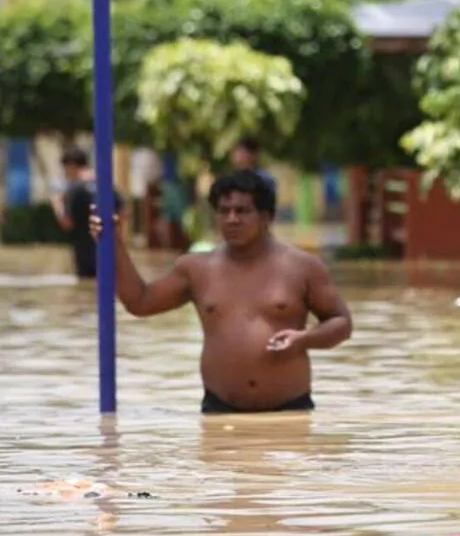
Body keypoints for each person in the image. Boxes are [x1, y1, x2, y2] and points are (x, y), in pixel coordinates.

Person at [89, 169, 352, 413]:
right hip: (220, 411)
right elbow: (140, 302)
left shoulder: (302, 267)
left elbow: (341, 323)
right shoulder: (197, 268)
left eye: (242, 211)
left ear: (266, 216)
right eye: (223, 211)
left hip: (288, 411)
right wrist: (114, 242)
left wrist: (303, 339)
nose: (232, 219)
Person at [52, 146, 123, 279]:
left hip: (84, 256)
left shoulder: (74, 188)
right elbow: (124, 211)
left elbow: (67, 222)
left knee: (86, 292)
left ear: (72, 166)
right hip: (109, 252)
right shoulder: (105, 183)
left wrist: (57, 202)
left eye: (65, 169)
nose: (66, 174)